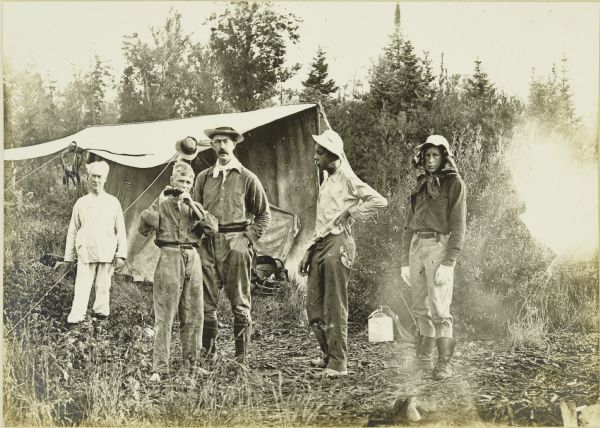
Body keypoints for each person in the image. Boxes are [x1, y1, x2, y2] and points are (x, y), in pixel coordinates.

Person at [298, 129, 388, 377]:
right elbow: (322, 221)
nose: (315, 157)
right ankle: (328, 354)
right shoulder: (327, 179)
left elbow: (380, 201)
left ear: (333, 155)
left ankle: (338, 362)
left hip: (339, 243)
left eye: (320, 153)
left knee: (334, 304)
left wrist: (351, 213)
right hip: (321, 244)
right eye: (316, 152)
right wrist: (308, 250)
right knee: (313, 307)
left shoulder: (347, 177)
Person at [193, 126, 271, 364]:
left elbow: (264, 215)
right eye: (216, 142)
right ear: (212, 146)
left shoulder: (248, 178)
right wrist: (199, 236)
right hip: (208, 245)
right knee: (206, 304)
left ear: (234, 144)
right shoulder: (203, 177)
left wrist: (245, 239)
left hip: (236, 244)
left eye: (226, 141)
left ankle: (241, 360)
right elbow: (194, 212)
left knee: (239, 303)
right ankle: (209, 357)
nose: (221, 146)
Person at [138, 161, 218, 382]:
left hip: (193, 257)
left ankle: (190, 366)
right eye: (180, 181)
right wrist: (159, 202)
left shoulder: (194, 206)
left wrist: (192, 205)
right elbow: (143, 227)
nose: (183, 185)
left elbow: (212, 229)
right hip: (169, 257)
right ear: (172, 181)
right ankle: (159, 368)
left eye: (187, 182)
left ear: (192, 185)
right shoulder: (162, 203)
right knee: (165, 314)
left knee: (193, 314)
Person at [400, 135, 467, 380]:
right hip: (416, 246)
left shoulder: (454, 183)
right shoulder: (420, 184)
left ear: (444, 157)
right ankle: (423, 360)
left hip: (439, 246)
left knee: (439, 308)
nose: (430, 160)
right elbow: (409, 224)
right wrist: (404, 262)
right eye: (427, 155)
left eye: (435, 155)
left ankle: (444, 364)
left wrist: (449, 262)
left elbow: (459, 227)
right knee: (420, 307)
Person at [61, 160, 127, 325]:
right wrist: (68, 257)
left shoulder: (113, 202)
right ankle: (76, 320)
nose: (96, 180)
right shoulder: (81, 203)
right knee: (82, 288)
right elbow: (73, 230)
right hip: (85, 253)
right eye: (93, 176)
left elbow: (121, 231)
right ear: (88, 178)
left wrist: (121, 255)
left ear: (105, 179)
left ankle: (100, 319)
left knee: (103, 288)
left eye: (99, 177)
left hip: (106, 253)